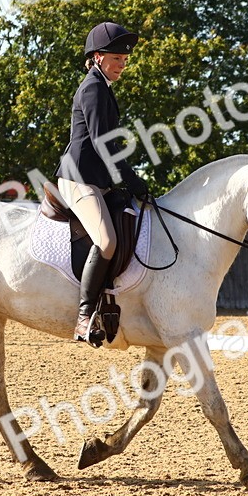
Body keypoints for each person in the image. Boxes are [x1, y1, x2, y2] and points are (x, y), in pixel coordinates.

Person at [54, 21, 150, 345]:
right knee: (107, 241)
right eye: (116, 59)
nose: (122, 64)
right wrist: (131, 179)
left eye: (124, 59)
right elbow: (102, 143)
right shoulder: (93, 88)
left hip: (96, 178)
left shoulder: (103, 86)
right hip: (78, 178)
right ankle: (83, 318)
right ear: (97, 57)